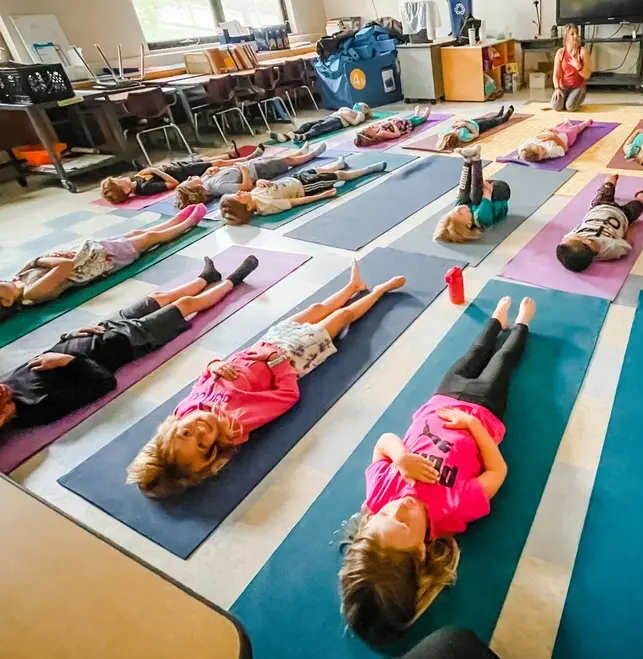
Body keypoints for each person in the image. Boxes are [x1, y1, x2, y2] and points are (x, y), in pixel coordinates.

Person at [339, 296, 535, 643]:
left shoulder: (381, 494)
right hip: (484, 411)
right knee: (503, 360)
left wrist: (399, 456)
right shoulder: (451, 511)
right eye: (403, 522)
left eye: (383, 516)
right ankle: (522, 323)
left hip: (442, 399)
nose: (399, 507)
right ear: (420, 550)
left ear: (369, 519)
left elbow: (384, 441)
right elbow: (497, 472)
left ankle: (496, 320)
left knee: (475, 351)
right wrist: (473, 426)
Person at [126, 264, 407, 498]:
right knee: (342, 317)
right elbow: (286, 397)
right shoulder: (235, 423)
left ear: (172, 428)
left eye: (186, 434)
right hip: (292, 355)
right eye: (202, 443)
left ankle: (352, 287)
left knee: (315, 307)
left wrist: (214, 365)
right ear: (211, 453)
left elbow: (204, 379)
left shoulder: (186, 411)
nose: (200, 429)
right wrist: (277, 362)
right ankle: (381, 291)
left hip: (262, 345)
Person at [0, 256, 257, 432]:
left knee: (157, 297)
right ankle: (233, 280)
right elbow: (104, 383)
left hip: (97, 330)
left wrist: (69, 337)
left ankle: (206, 277)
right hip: (127, 342)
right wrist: (70, 360)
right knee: (186, 305)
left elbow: (43, 359)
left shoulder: (7, 384)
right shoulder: (37, 409)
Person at [0, 205, 207, 320]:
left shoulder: (19, 281)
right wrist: (42, 260)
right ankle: (188, 223)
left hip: (92, 251)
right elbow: (65, 266)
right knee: (148, 239)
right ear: (7, 302)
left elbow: (32, 262)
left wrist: (37, 260)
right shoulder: (31, 293)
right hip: (103, 260)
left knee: (137, 234)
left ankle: (173, 222)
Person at [218, 157, 387, 225]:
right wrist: (321, 195)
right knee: (338, 176)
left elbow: (261, 185)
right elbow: (295, 202)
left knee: (319, 170)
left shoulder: (253, 195)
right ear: (247, 208)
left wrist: (261, 181)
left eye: (238, 192)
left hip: (295, 179)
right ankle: (368, 170)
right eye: (239, 196)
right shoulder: (267, 207)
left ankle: (338, 163)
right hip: (304, 188)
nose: (241, 192)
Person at [173, 142, 329, 208]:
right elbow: (246, 186)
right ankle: (311, 156)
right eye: (189, 182)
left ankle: (300, 153)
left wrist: (210, 171)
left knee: (278, 158)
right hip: (255, 171)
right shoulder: (218, 187)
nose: (190, 178)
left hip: (251, 165)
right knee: (285, 161)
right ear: (195, 189)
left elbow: (210, 173)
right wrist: (244, 170)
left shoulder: (206, 182)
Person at [555, 174, 643, 272]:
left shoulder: (574, 239)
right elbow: (627, 244)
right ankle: (641, 195)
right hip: (624, 216)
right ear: (587, 241)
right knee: (641, 203)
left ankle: (611, 179)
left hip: (600, 206)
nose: (564, 238)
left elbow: (569, 237)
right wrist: (630, 229)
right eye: (566, 240)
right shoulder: (611, 249)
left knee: (609, 183)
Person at [98, 147, 265, 203]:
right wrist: (156, 171)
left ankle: (230, 154)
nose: (121, 178)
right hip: (182, 173)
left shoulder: (136, 179)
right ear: (126, 189)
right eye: (119, 181)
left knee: (207, 159)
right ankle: (247, 158)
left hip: (177, 166)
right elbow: (173, 184)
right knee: (216, 165)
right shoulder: (144, 188)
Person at [433, 145, 511, 243]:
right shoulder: (482, 218)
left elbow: (462, 190)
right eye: (460, 213)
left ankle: (467, 161)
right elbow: (487, 192)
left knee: (462, 196)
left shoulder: (461, 207)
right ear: (469, 223)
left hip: (480, 188)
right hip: (500, 192)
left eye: (453, 210)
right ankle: (476, 158)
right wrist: (481, 185)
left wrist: (472, 186)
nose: (458, 208)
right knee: (475, 198)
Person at [269, 103, 373, 143]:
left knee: (319, 127)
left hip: (338, 121)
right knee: (308, 124)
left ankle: (303, 137)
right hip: (331, 117)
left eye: (364, 105)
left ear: (365, 109)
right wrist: (340, 112)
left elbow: (354, 123)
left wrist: (342, 114)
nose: (359, 104)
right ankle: (288, 136)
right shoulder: (348, 108)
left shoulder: (360, 114)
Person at [435, 106, 515, 151]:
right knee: (494, 122)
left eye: (456, 131)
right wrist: (465, 124)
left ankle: (498, 114)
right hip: (478, 127)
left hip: (472, 122)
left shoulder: (444, 134)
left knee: (487, 119)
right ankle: (505, 116)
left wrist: (458, 123)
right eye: (457, 132)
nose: (457, 130)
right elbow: (476, 134)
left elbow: (443, 133)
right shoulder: (464, 136)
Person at [551, 24, 591, 112]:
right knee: (556, 107)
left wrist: (578, 66)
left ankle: (573, 101)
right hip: (563, 87)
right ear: (566, 37)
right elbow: (556, 75)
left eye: (576, 33)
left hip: (578, 87)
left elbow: (587, 75)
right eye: (572, 34)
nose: (576, 36)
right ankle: (566, 99)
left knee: (570, 107)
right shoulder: (560, 53)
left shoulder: (583, 52)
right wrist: (557, 88)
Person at [517, 119, 594, 162]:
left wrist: (546, 131)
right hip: (566, 136)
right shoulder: (551, 151)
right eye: (543, 155)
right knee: (574, 130)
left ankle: (565, 122)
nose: (544, 151)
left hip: (554, 131)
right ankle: (584, 124)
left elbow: (536, 137)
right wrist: (554, 137)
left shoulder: (526, 147)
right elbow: (565, 148)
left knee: (557, 127)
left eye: (541, 148)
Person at [354, 106, 432, 147]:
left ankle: (416, 115)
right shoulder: (382, 133)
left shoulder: (375, 128)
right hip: (402, 126)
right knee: (414, 121)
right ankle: (424, 118)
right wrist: (394, 124)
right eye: (369, 129)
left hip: (398, 121)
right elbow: (397, 134)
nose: (370, 126)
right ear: (371, 136)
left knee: (409, 119)